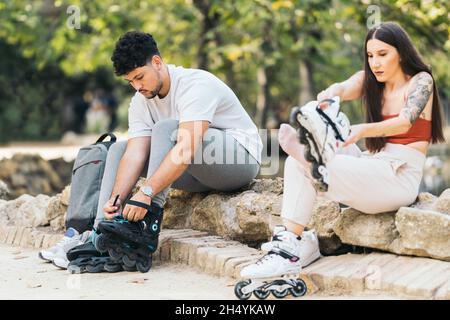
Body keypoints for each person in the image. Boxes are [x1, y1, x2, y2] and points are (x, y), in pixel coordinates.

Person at [40, 31, 262, 271]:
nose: (137, 87)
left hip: (237, 161)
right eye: (130, 82)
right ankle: (100, 234)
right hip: (197, 173)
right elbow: (135, 154)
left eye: (139, 77)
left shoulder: (196, 84)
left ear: (157, 62)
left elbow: (187, 148)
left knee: (167, 128)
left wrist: (146, 194)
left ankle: (148, 222)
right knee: (118, 149)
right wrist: (116, 199)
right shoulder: (139, 101)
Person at [241, 22, 445, 280]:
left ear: (401, 53)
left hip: (398, 178)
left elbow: (405, 120)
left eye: (383, 54)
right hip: (371, 165)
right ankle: (290, 248)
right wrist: (331, 95)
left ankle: (313, 154)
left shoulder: (421, 81)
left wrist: (359, 131)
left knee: (311, 160)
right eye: (370, 56)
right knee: (296, 163)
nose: (375, 63)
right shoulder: (372, 80)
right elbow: (347, 85)